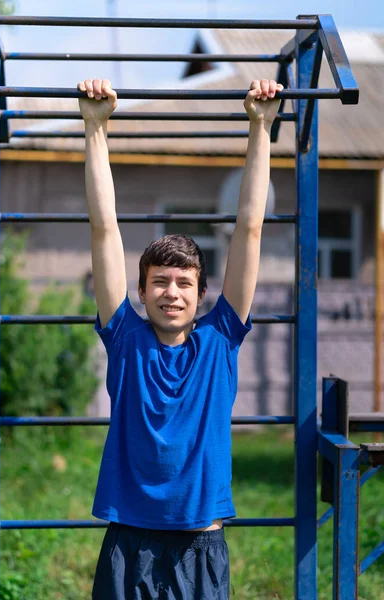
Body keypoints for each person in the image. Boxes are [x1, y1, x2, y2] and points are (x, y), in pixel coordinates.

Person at [77, 76, 283, 600]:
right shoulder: (125, 338)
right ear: (141, 293)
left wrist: (260, 128)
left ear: (202, 295)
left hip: (200, 546)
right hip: (131, 542)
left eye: (185, 283)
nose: (172, 292)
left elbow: (250, 227)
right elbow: (104, 229)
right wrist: (96, 129)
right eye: (159, 282)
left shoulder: (219, 341)